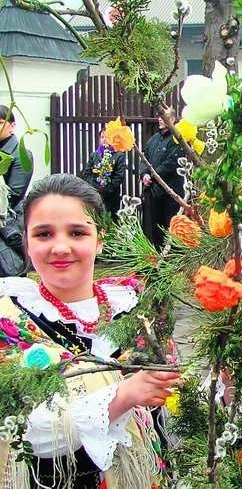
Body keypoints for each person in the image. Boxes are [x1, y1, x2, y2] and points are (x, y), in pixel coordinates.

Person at [0, 174, 180, 488]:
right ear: (26, 243)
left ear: (100, 239)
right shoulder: (10, 321)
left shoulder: (136, 310)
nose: (60, 246)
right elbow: (23, 428)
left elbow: (172, 406)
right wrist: (120, 397)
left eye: (77, 232)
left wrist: (219, 381)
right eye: (43, 234)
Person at [140, 108, 185, 249]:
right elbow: (144, 158)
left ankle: (172, 259)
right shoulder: (153, 139)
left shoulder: (177, 139)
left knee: (171, 226)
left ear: (172, 120)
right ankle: (155, 258)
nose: (160, 119)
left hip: (171, 192)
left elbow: (172, 163)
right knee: (153, 227)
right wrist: (144, 174)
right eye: (159, 117)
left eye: (163, 117)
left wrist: (152, 175)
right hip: (153, 191)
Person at [0, 105, 33, 276]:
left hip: (8, 225)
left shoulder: (21, 154)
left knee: (11, 281)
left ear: (12, 125)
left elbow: (12, 195)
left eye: (0, 122)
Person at [80, 129, 126, 220]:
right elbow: (87, 174)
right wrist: (95, 188)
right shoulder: (94, 155)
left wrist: (105, 190)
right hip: (95, 195)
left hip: (111, 197)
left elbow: (119, 176)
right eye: (102, 137)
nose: (104, 139)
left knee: (110, 222)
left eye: (107, 137)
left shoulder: (119, 155)